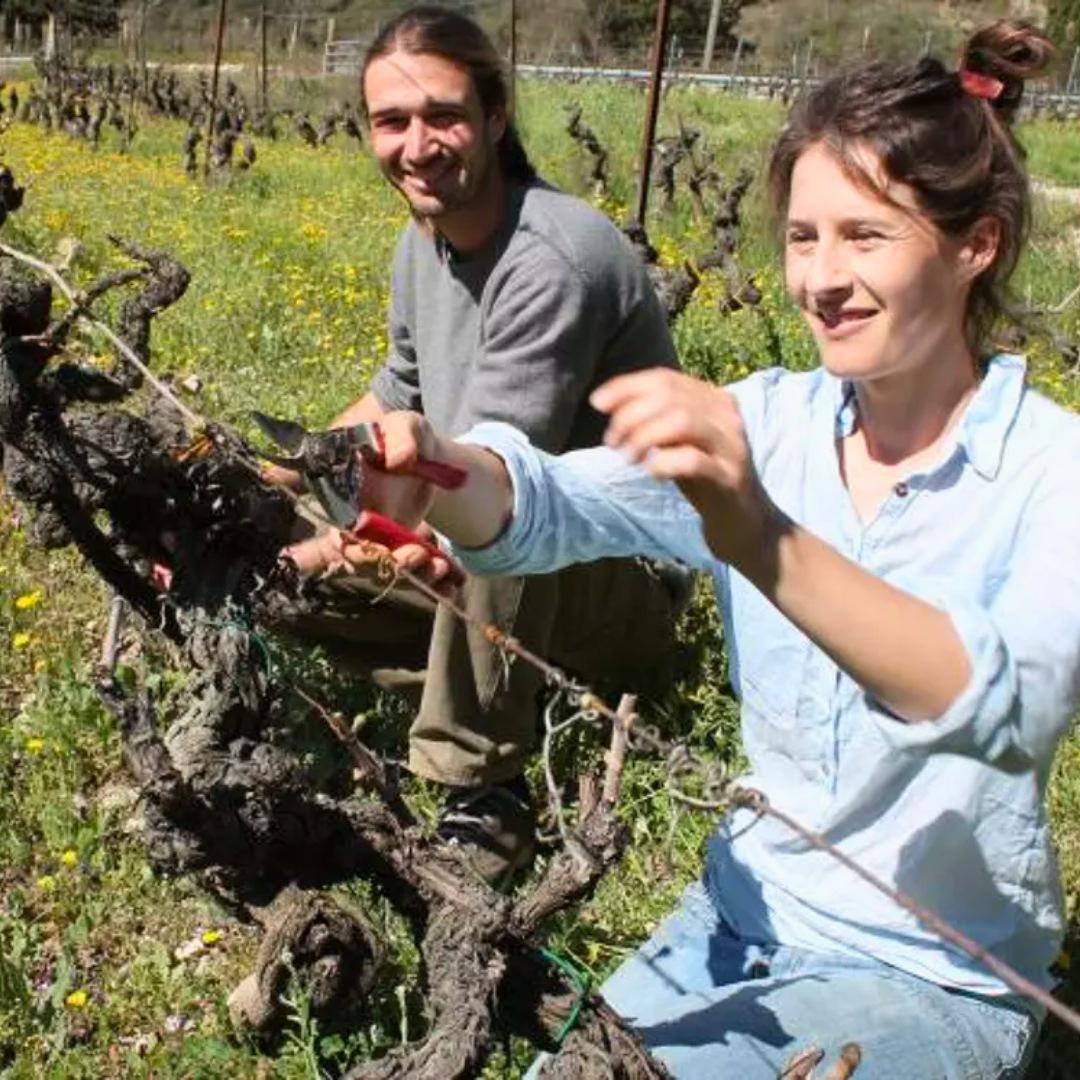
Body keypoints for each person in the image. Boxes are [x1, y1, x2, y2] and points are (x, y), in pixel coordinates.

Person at [291, 19, 1080, 1078]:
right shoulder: (774, 420)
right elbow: (554, 507)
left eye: (866, 236)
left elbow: (1000, 709)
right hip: (737, 908)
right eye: (804, 237)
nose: (823, 278)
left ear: (974, 243)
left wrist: (759, 534)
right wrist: (436, 467)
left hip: (929, 973)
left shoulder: (1051, 472)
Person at [278, 5, 686, 886]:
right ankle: (488, 680)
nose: (416, 145)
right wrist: (285, 477)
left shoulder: (554, 258)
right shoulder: (420, 242)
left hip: (616, 579)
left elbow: (494, 481)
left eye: (443, 116)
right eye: (391, 122)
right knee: (275, 523)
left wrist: (324, 549)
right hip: (485, 533)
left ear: (496, 118)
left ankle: (484, 787)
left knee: (489, 527)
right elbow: (398, 391)